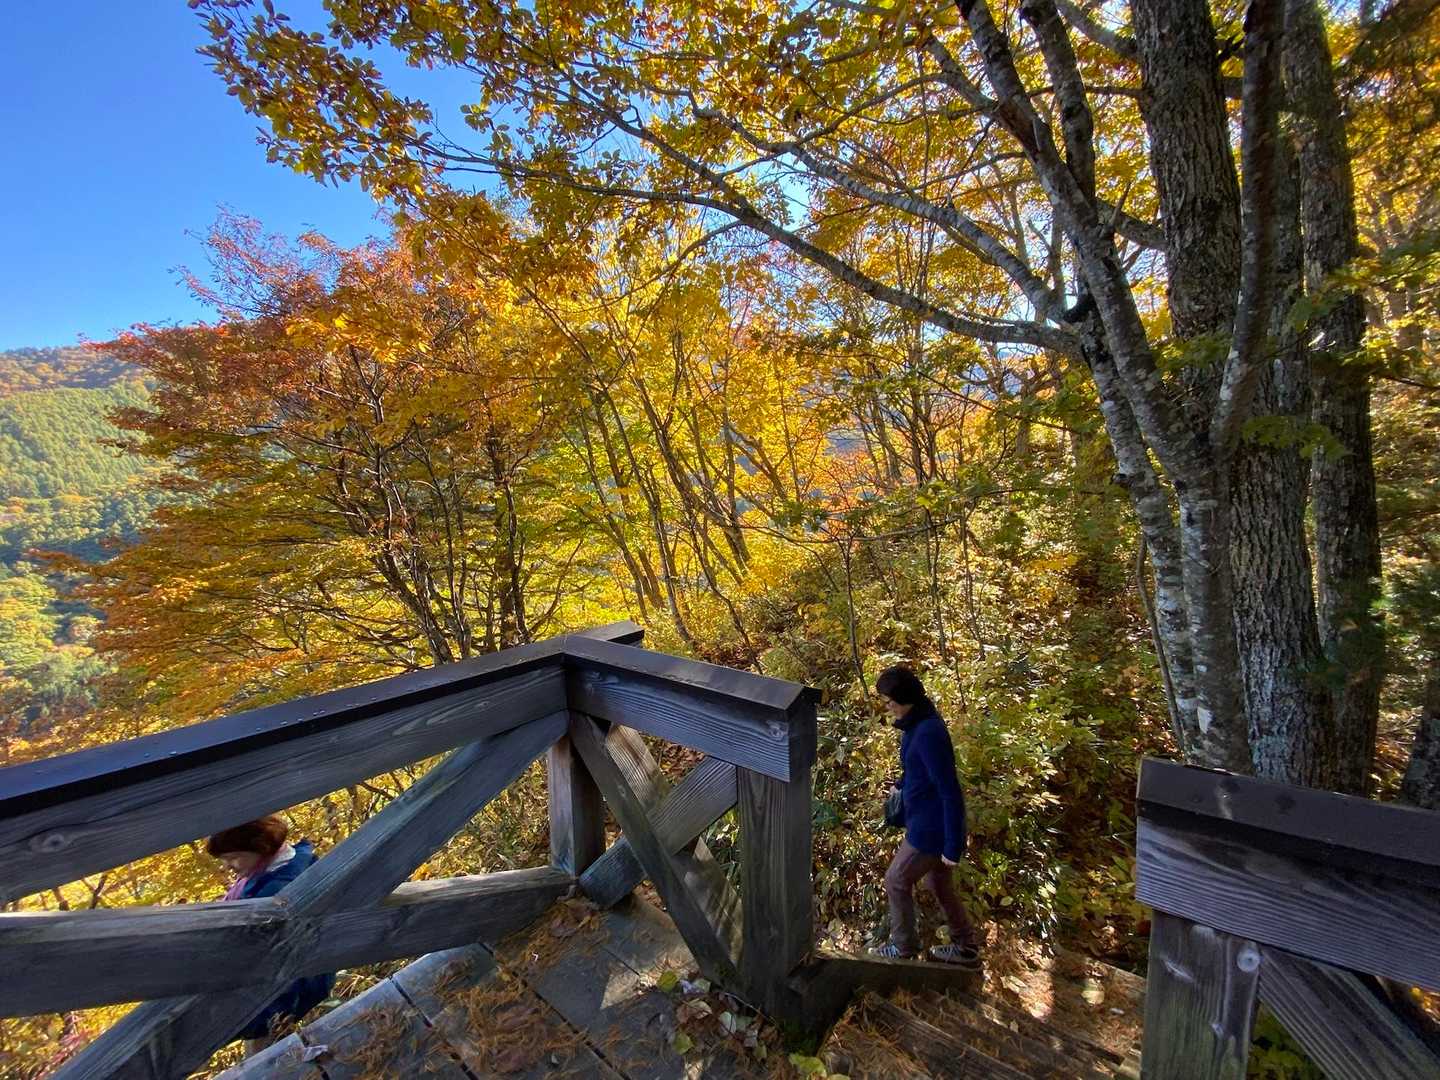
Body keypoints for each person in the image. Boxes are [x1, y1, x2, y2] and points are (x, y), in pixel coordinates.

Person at [870, 666, 981, 968]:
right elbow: (917, 770)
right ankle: (966, 947)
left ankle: (903, 948)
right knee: (938, 884)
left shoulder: (928, 733)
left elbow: (949, 791)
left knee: (896, 880)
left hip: (930, 830)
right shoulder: (916, 724)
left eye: (890, 701)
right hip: (927, 821)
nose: (887, 706)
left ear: (906, 698)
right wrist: (901, 785)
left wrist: (952, 846)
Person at [207, 816, 335, 1055]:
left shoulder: (275, 889)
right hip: (286, 984)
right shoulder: (286, 864)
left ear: (260, 847)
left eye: (233, 857)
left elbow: (253, 947)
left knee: (268, 1056)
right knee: (269, 1052)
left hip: (283, 991)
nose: (228, 866)